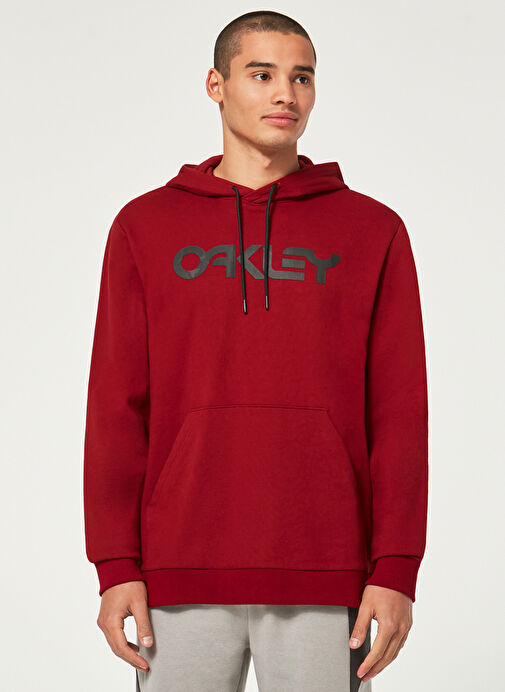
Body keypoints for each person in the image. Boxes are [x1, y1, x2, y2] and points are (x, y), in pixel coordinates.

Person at [83, 10, 429, 692]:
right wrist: (115, 564)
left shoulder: (372, 230)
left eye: (301, 78)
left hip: (328, 568)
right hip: (178, 569)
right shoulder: (145, 226)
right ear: (216, 85)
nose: (285, 95)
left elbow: (398, 411)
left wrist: (395, 568)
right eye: (262, 74)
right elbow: (116, 406)